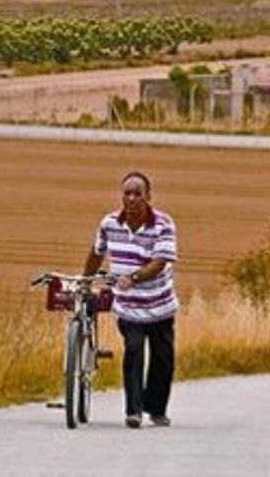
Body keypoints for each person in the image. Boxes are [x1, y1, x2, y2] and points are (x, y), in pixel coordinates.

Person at [84, 171, 179, 429]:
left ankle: (156, 409)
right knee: (134, 350)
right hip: (128, 306)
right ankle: (133, 411)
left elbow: (160, 262)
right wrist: (85, 281)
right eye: (127, 193)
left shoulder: (163, 224)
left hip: (160, 305)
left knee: (163, 358)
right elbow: (96, 253)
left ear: (148, 196)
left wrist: (135, 277)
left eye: (138, 193)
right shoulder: (110, 223)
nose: (132, 198)